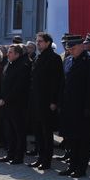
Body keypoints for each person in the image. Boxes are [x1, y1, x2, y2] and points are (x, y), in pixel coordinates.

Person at [58, 36, 90, 177]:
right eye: (69, 48)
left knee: (84, 140)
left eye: (73, 48)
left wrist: (89, 107)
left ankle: (81, 169)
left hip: (83, 108)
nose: (71, 51)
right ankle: (72, 166)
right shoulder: (69, 60)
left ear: (82, 46)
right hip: (70, 107)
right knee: (72, 139)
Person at [27, 32, 63, 171]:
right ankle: (40, 158)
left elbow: (56, 82)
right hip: (36, 101)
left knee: (46, 133)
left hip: (47, 102)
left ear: (48, 43)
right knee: (38, 133)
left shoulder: (54, 58)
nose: (38, 43)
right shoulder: (38, 57)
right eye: (37, 41)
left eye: (40, 41)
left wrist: (54, 101)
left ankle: (47, 161)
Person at [0, 44, 31, 165]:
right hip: (6, 104)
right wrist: (0, 97)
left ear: (17, 54)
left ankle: (19, 156)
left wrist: (6, 99)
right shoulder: (8, 64)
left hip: (17, 105)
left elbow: (18, 87)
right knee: (9, 131)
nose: (8, 54)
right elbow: (2, 83)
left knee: (18, 132)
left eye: (11, 52)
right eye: (8, 52)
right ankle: (10, 153)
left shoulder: (23, 66)